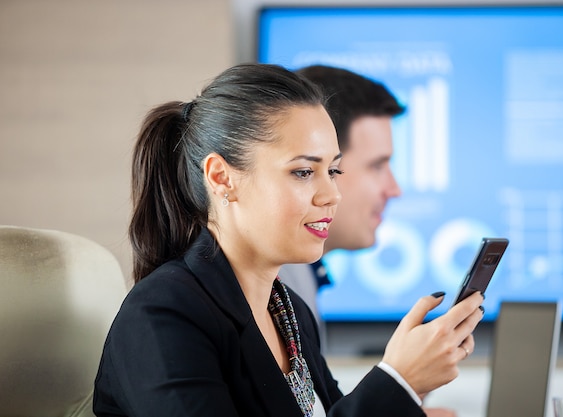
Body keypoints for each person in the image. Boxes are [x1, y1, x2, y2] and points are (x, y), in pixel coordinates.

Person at [93, 63, 484, 417]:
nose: (332, 194)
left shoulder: (288, 312)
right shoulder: (162, 314)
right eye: (302, 172)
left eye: (333, 170)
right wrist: (398, 381)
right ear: (221, 178)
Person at [278, 65, 458, 417]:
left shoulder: (296, 283)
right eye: (377, 165)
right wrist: (399, 382)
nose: (394, 188)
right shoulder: (273, 283)